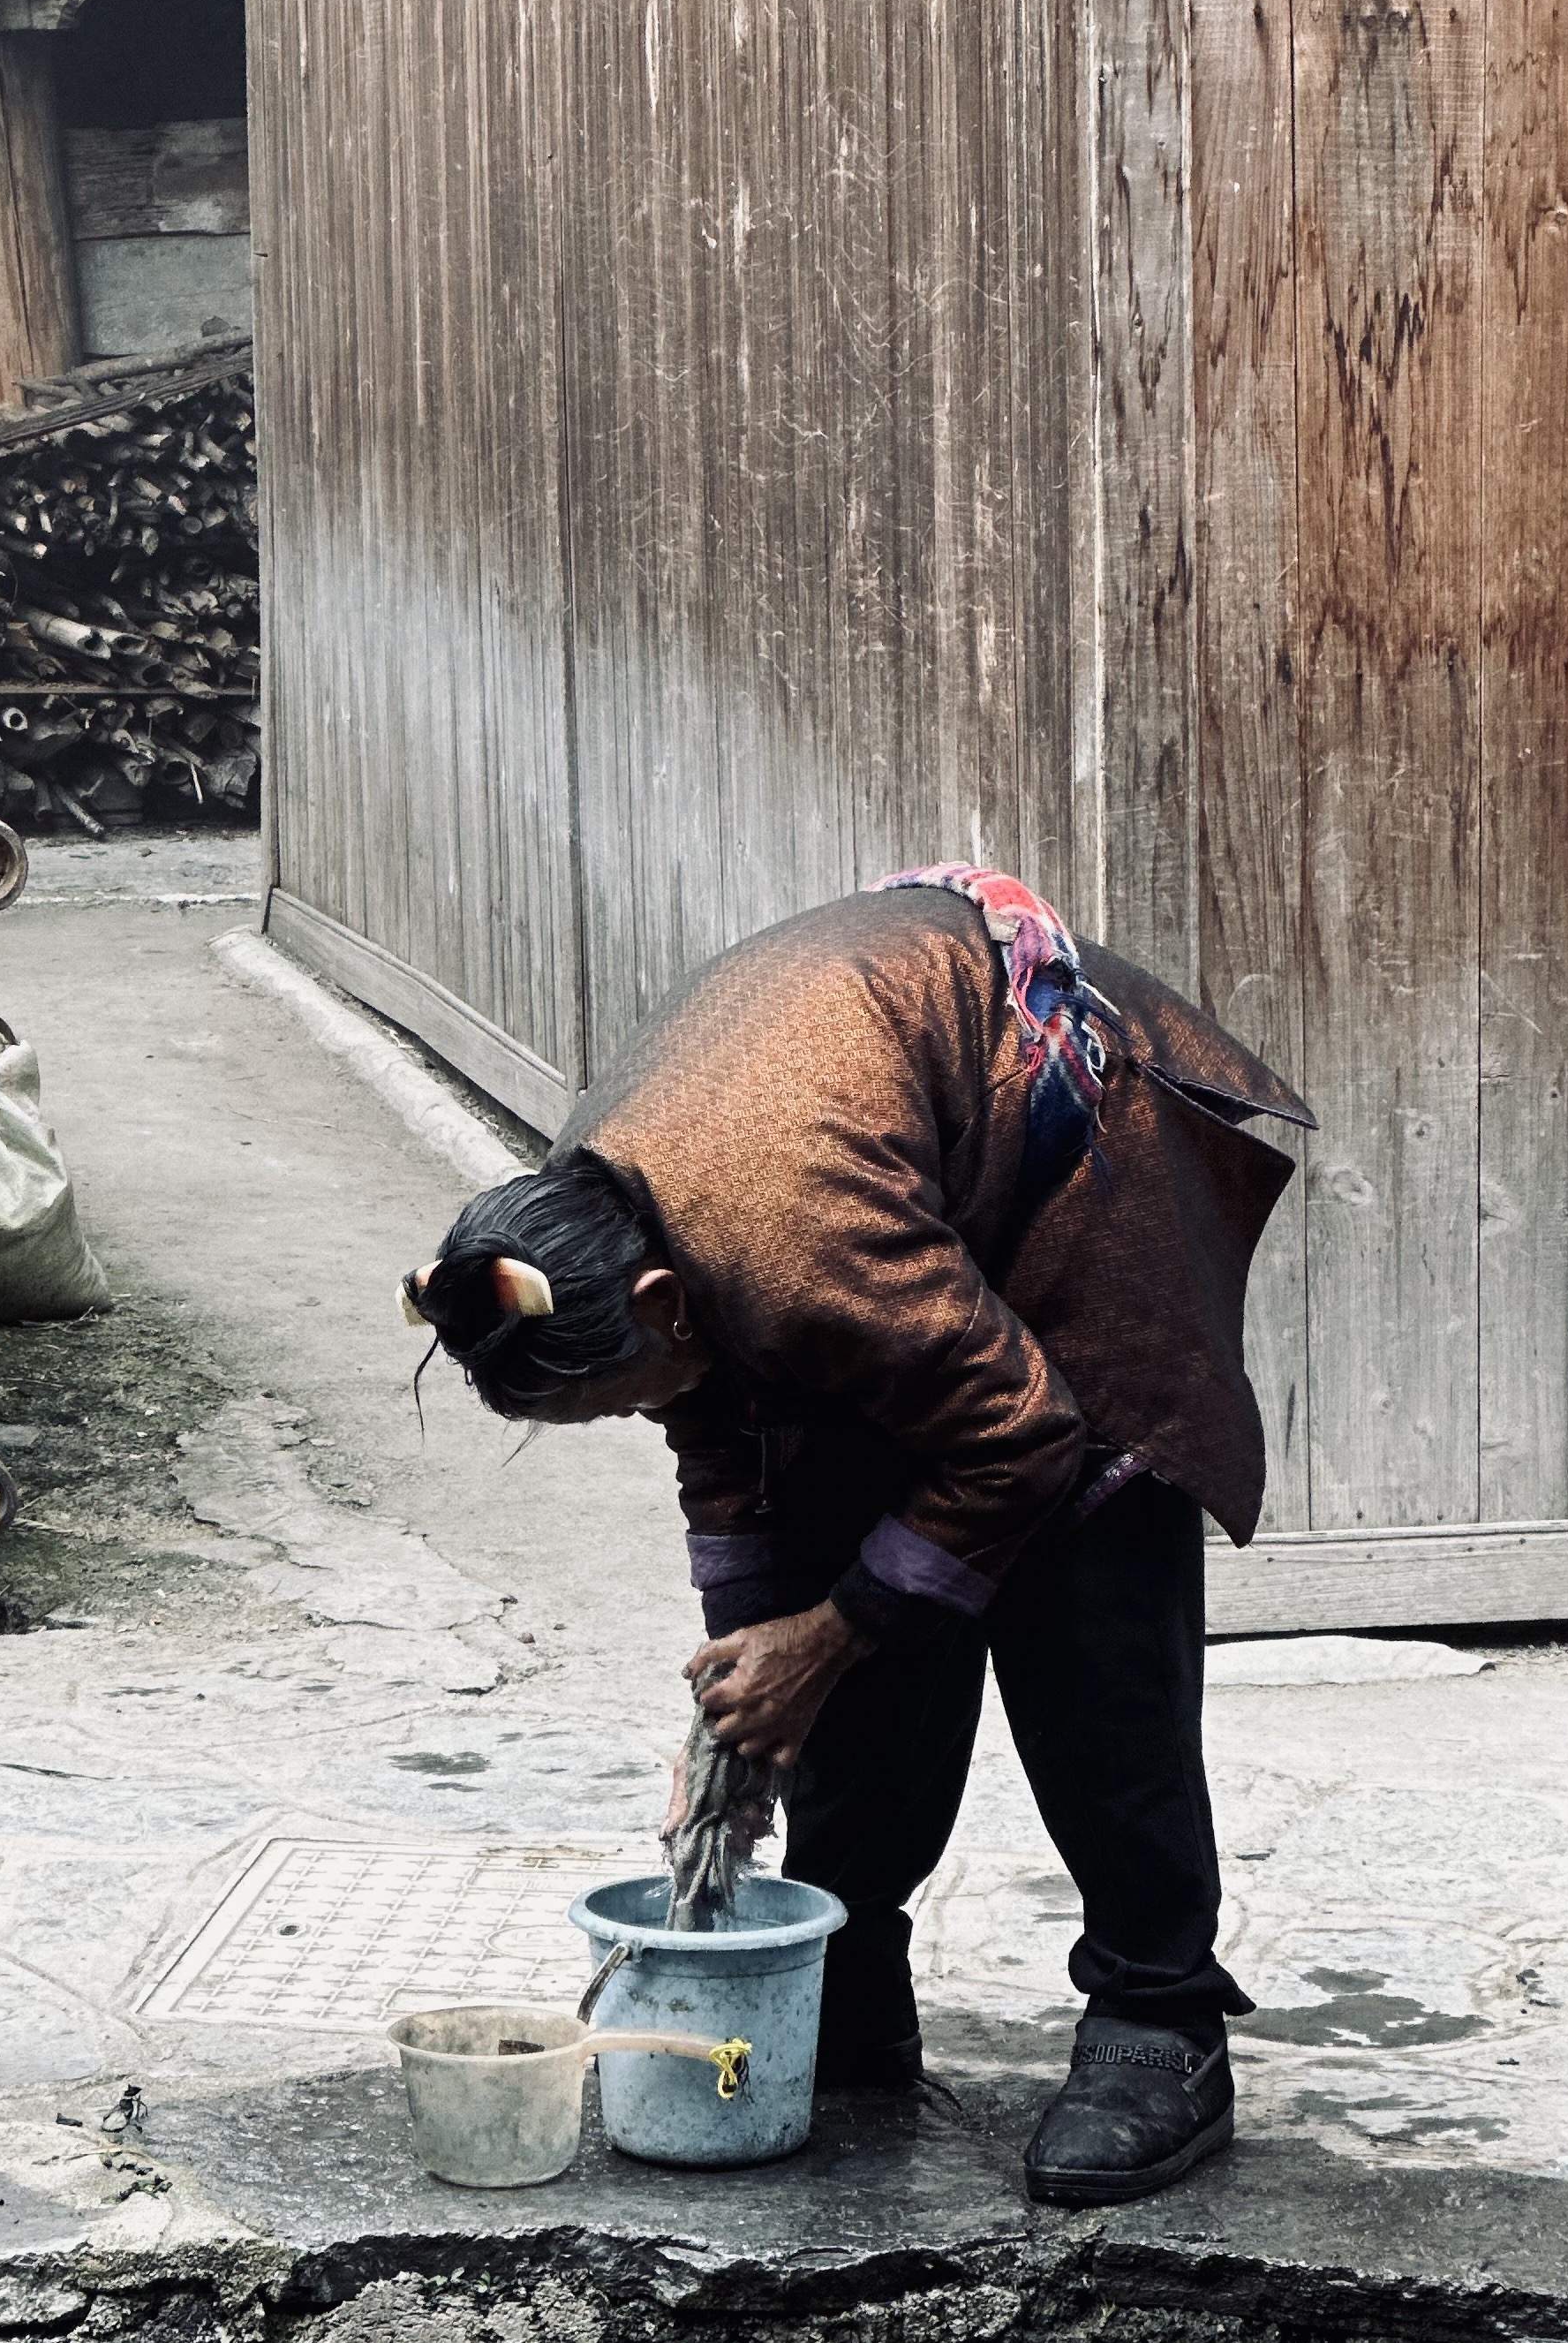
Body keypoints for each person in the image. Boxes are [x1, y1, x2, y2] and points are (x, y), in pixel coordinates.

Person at [399, 864, 1313, 2204]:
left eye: (608, 1401)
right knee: (843, 1604)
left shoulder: (788, 1235)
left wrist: (826, 1640)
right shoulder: (601, 1211)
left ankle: (1158, 2021)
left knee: (1081, 1615)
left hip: (1079, 1172)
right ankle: (848, 1980)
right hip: (903, 1194)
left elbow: (1020, 1438)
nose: (627, 1419)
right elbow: (723, 1452)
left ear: (661, 1304)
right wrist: (743, 1712)